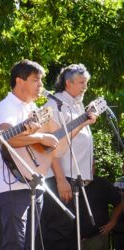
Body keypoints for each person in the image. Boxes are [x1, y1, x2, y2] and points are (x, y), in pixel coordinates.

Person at [0, 59, 61, 249]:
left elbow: (55, 143)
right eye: (36, 80)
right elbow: (6, 138)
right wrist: (40, 137)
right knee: (14, 245)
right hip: (13, 188)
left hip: (33, 182)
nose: (41, 85)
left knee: (31, 245)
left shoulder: (32, 108)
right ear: (20, 81)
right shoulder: (8, 106)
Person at [41, 63, 98, 250]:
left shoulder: (76, 104)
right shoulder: (55, 105)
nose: (85, 87)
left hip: (76, 179)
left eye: (86, 83)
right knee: (60, 232)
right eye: (81, 82)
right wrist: (60, 180)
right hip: (62, 179)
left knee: (74, 232)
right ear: (68, 83)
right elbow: (51, 145)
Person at [79, 167, 123, 250]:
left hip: (97, 238)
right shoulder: (69, 183)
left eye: (93, 165)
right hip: (72, 239)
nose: (92, 168)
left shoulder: (102, 183)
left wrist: (112, 222)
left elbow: (119, 202)